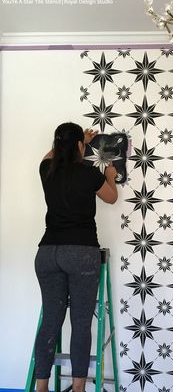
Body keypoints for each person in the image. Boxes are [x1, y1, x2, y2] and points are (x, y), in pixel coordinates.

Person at [34, 122, 118, 392]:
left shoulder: (48, 169)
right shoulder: (89, 172)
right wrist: (111, 177)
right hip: (81, 252)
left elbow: (49, 156)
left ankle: (42, 387)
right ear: (81, 146)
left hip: (47, 253)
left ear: (57, 145)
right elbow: (111, 198)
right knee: (80, 324)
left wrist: (72, 142)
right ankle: (79, 389)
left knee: (51, 321)